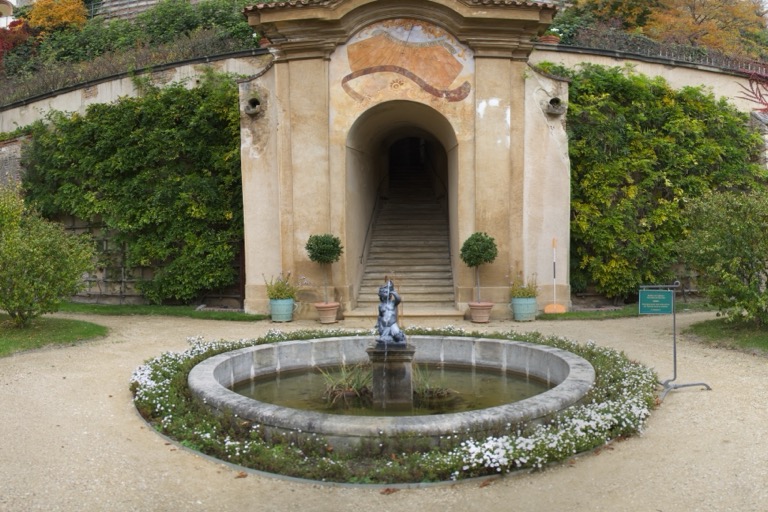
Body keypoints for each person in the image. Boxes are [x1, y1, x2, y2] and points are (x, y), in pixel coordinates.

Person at [376, 280, 406, 344]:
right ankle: (387, 338)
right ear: (380, 295)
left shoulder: (392, 303)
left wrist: (393, 292)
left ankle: (398, 336)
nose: (385, 293)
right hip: (384, 325)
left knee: (398, 337)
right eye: (383, 292)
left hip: (392, 324)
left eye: (387, 292)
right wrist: (378, 324)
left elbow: (398, 299)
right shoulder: (381, 305)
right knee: (383, 336)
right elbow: (380, 315)